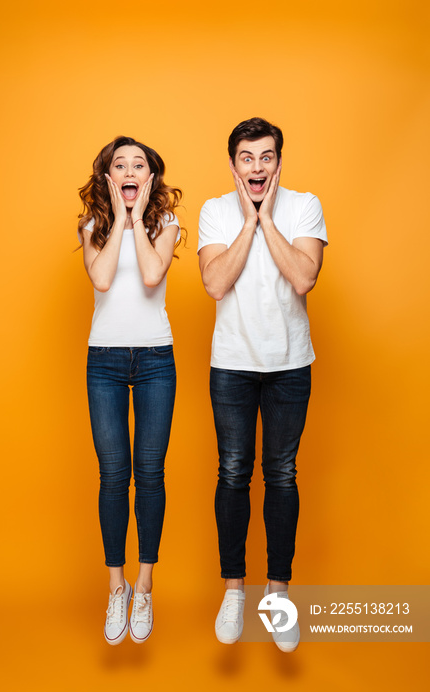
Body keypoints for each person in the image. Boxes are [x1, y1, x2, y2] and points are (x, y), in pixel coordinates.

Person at [198, 117, 328, 651]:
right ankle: (234, 591)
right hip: (231, 363)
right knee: (232, 472)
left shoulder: (304, 205)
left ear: (278, 161)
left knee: (281, 474)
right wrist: (248, 223)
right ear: (234, 165)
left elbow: (303, 277)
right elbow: (214, 282)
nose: (257, 166)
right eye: (247, 157)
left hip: (289, 364)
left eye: (266, 156)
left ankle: (277, 595)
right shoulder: (213, 211)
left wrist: (268, 218)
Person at [77, 136, 184, 645]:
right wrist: (120, 219)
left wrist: (139, 216)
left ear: (150, 176)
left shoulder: (166, 225)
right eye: (119, 164)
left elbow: (149, 274)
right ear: (107, 176)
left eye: (138, 164)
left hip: (156, 361)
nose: (129, 169)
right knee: (113, 475)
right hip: (105, 362)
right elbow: (101, 280)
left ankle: (144, 587)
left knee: (151, 474)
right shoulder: (94, 226)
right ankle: (115, 588)